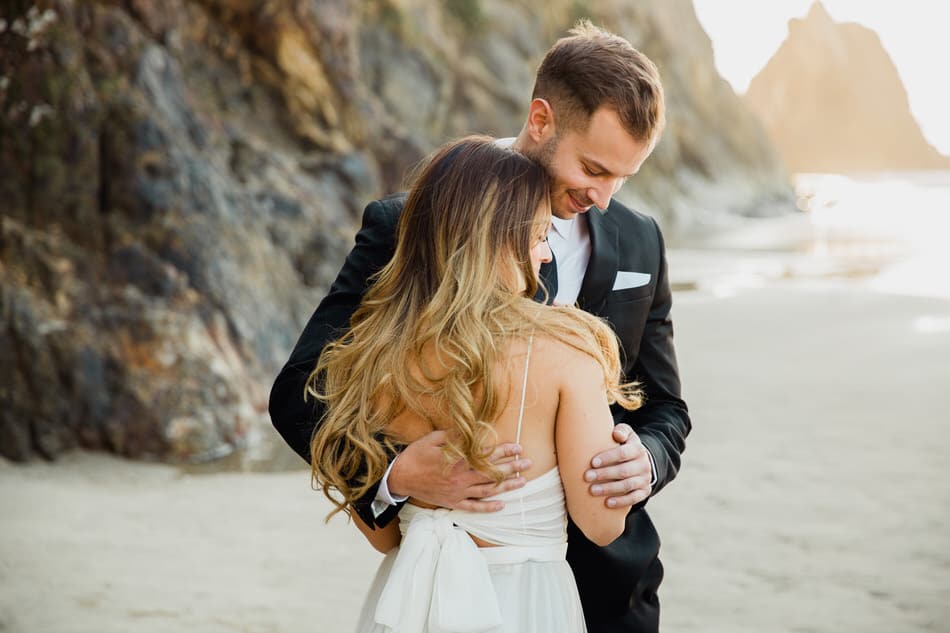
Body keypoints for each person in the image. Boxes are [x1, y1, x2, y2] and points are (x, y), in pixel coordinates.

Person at [270, 20, 691, 633]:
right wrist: (392, 476)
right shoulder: (410, 224)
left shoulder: (640, 240)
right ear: (541, 119)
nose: (604, 197)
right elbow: (301, 389)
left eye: (623, 178)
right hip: (448, 581)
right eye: (593, 169)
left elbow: (666, 407)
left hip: (612, 587)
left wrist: (646, 461)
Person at [310, 135, 642, 632]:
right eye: (537, 237)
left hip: (408, 604)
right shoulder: (567, 351)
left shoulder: (370, 358)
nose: (545, 256)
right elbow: (601, 524)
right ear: (494, 242)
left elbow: (384, 537)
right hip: (521, 604)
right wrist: (625, 457)